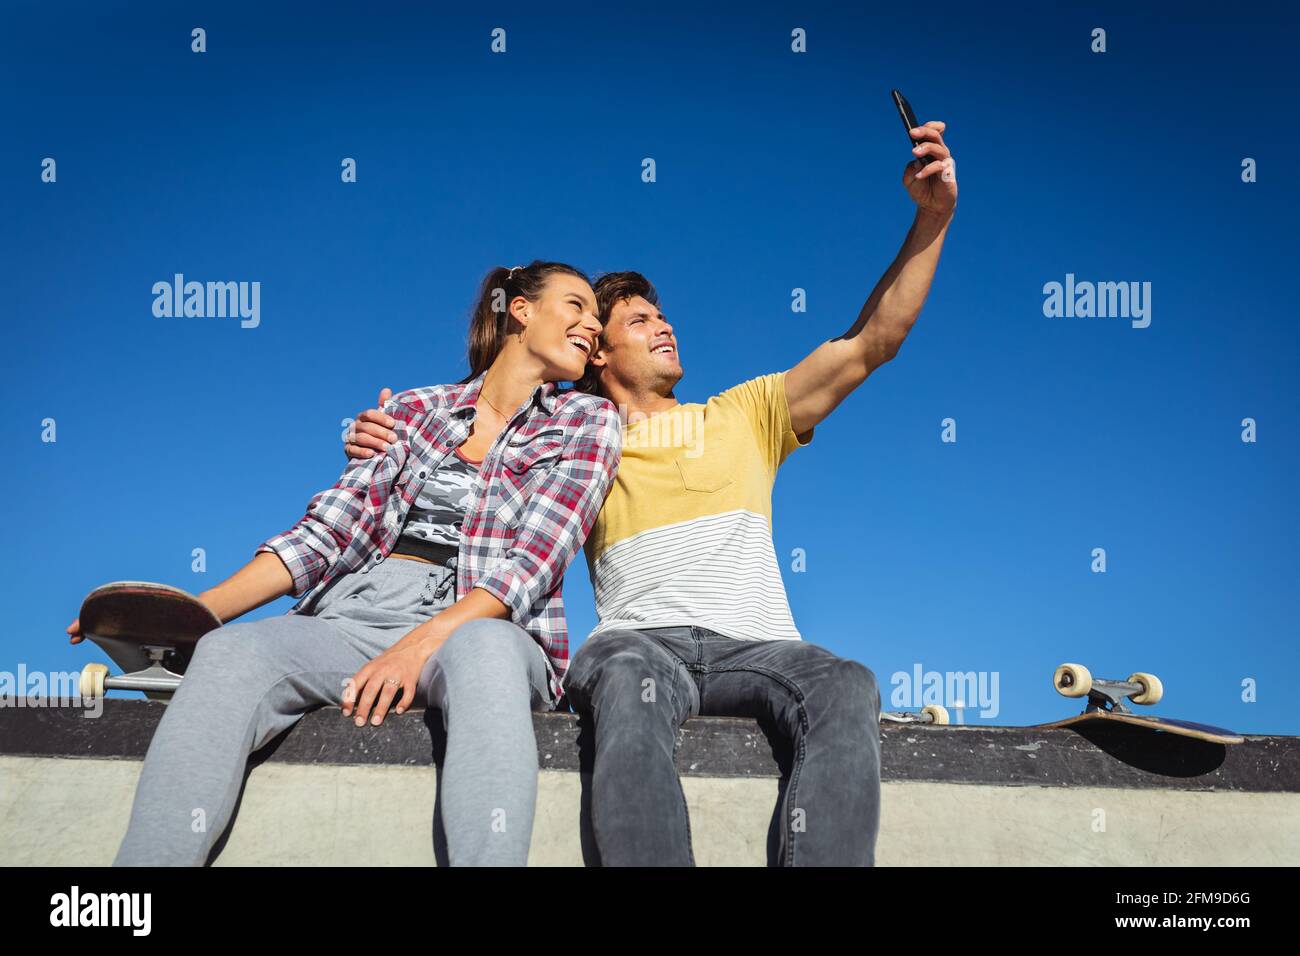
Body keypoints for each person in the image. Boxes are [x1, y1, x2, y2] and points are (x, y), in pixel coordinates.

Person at [348, 120, 957, 865]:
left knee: (845, 682)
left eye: (663, 315)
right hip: (639, 647)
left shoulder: (747, 415)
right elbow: (468, 453)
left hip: (757, 649)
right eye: (640, 321)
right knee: (628, 678)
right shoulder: (568, 438)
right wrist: (388, 435)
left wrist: (931, 218)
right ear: (598, 351)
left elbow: (872, 342)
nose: (665, 326)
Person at [69, 261, 622, 866]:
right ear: (519, 309)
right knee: (231, 652)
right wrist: (187, 616)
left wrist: (419, 645)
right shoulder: (414, 410)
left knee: (484, 652)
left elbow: (534, 560)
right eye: (577, 306)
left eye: (597, 318)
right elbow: (331, 530)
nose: (592, 326)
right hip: (362, 607)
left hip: (487, 620)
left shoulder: (587, 421)